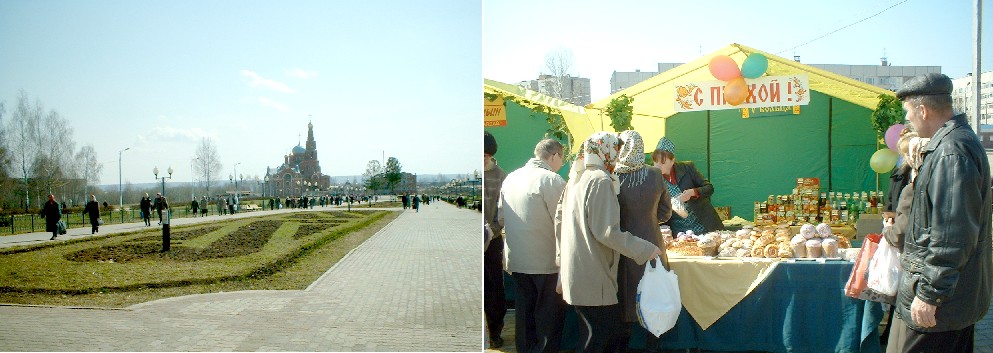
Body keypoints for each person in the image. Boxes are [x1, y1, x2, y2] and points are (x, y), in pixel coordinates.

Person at [886, 73, 992, 353]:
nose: (908, 120)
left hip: (942, 304)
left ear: (922, 110)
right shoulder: (951, 144)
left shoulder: (951, 152)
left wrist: (930, 295)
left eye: (908, 113)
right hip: (951, 299)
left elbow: (952, 235)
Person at [557, 132, 664, 353]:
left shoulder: (576, 178)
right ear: (605, 150)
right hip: (593, 272)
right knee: (598, 339)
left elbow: (560, 219)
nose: (618, 155)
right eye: (615, 149)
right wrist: (645, 248)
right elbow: (607, 232)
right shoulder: (600, 179)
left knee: (598, 334)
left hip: (577, 269)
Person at [496, 138, 568, 353]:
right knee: (548, 319)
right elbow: (563, 221)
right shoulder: (551, 180)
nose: (561, 164)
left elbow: (501, 217)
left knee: (524, 314)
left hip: (517, 259)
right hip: (546, 261)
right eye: (562, 159)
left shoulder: (510, 178)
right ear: (554, 155)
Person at [614, 130, 673, 351]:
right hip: (652, 241)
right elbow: (666, 212)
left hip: (622, 244)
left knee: (625, 293)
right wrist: (649, 220)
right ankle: (652, 345)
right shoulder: (655, 175)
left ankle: (624, 343)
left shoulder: (613, 176)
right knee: (653, 292)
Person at [652, 137, 724, 234]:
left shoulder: (687, 168)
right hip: (678, 230)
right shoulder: (653, 178)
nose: (658, 166)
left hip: (703, 224)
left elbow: (709, 188)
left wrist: (693, 192)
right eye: (655, 162)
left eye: (662, 162)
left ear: (672, 160)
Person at [483, 131, 508, 348]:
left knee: (494, 288)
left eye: (486, 155)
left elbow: (504, 212)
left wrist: (491, 230)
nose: (482, 158)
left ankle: (495, 332)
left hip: (492, 241)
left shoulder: (501, 176)